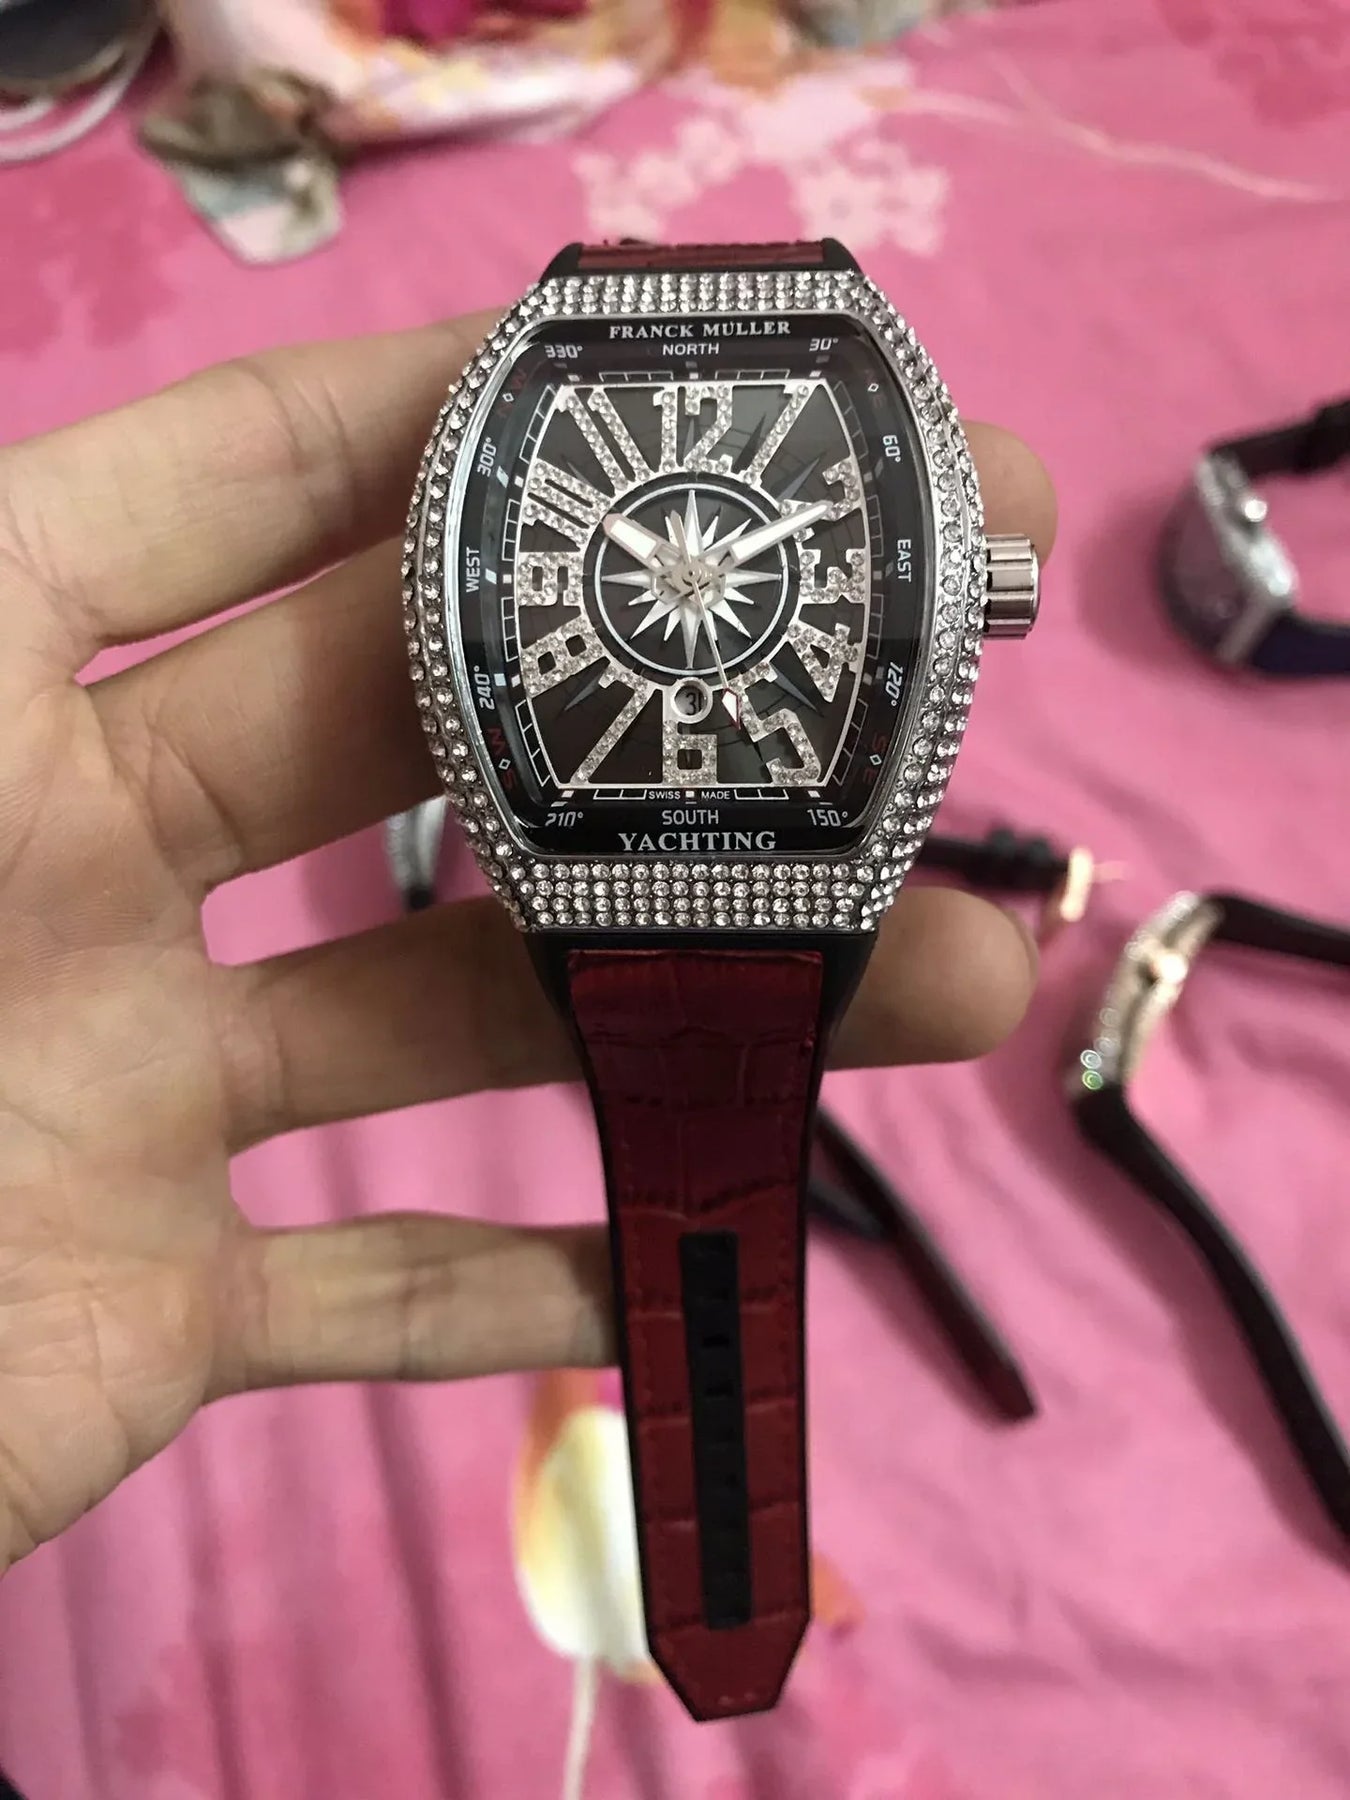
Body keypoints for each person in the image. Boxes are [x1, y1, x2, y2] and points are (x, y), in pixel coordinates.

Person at [0, 312, 1056, 1578]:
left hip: (741, 874)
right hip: (638, 875)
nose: (693, 582)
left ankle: (721, 1579)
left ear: (966, 589)